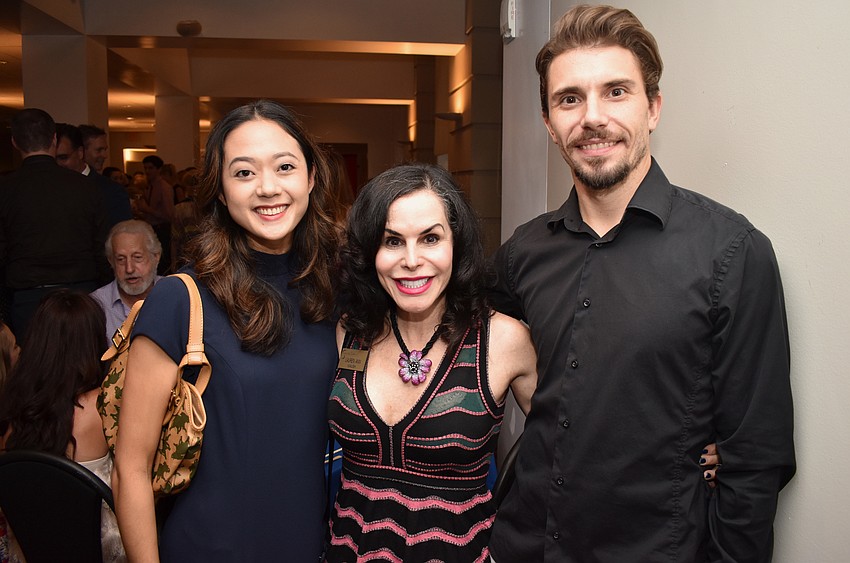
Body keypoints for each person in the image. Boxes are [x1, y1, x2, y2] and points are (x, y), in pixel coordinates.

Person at [488, 5, 795, 562]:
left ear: (653, 108)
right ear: (548, 122)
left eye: (616, 92)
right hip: (524, 543)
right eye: (570, 99)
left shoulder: (731, 253)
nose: (592, 118)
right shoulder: (522, 253)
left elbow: (755, 461)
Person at [112, 100, 341, 562]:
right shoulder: (180, 299)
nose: (268, 188)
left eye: (284, 166)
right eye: (243, 173)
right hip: (210, 547)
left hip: (311, 545)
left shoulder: (335, 291)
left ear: (311, 177)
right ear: (218, 189)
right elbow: (130, 469)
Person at [325, 163, 538, 561]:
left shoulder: (502, 340)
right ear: (370, 251)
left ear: (456, 244)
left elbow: (563, 455)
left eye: (430, 238)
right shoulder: (350, 331)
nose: (411, 260)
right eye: (392, 241)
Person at [0, 290, 126, 562]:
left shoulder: (16, 413)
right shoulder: (102, 404)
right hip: (96, 550)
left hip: (32, 549)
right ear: (92, 343)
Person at [0, 108, 107, 344]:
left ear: (15, 142)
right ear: (55, 140)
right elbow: (102, 248)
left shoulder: (6, 190)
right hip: (82, 295)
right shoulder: (86, 187)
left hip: (28, 299)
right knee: (83, 369)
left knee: (34, 372)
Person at [90, 220, 162, 346]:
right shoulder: (96, 306)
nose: (129, 268)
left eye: (137, 257)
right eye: (121, 259)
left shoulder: (177, 294)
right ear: (111, 262)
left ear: (156, 256)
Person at [56, 123, 132, 232]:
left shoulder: (111, 191)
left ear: (80, 153)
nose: (104, 155)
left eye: (63, 158)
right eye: (99, 150)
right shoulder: (50, 186)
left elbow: (121, 234)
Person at [135, 155, 175, 274]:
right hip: (152, 228)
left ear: (158, 170)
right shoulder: (150, 186)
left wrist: (147, 209)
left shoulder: (164, 187)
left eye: (150, 168)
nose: (147, 171)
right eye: (145, 168)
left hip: (162, 230)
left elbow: (169, 215)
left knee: (161, 265)